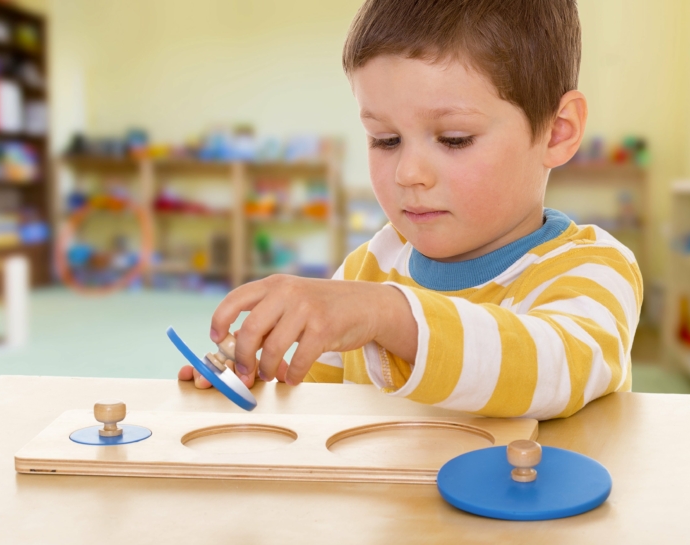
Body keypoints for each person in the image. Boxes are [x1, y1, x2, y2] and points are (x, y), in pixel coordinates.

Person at [178, 0, 642, 419]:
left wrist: (390, 314)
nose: (408, 173)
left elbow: (555, 369)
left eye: (454, 139)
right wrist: (257, 375)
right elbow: (318, 406)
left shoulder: (593, 269)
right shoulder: (368, 270)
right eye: (385, 140)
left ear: (557, 132)